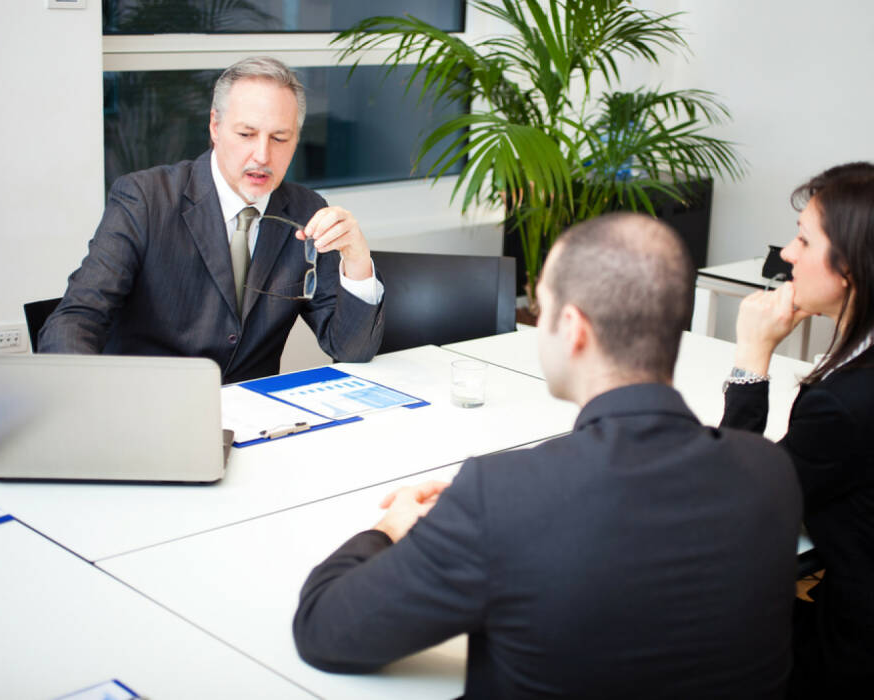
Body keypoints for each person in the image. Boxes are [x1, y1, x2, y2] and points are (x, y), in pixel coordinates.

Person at [293, 213, 802, 699]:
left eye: (543, 309)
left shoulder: (504, 495)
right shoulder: (770, 471)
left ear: (574, 328)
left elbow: (326, 629)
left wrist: (387, 531)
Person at [720, 162, 874, 698]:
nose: (786, 254)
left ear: (852, 268)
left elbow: (737, 507)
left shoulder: (853, 401)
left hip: (860, 656)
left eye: (803, 240)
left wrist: (751, 357)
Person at [39, 57, 384, 383]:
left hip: (255, 423)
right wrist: (85, 406)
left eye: (280, 138)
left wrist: (357, 260)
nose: (262, 155)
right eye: (246, 134)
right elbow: (76, 319)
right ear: (215, 127)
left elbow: (350, 350)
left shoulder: (306, 210)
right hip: (151, 415)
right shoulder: (146, 199)